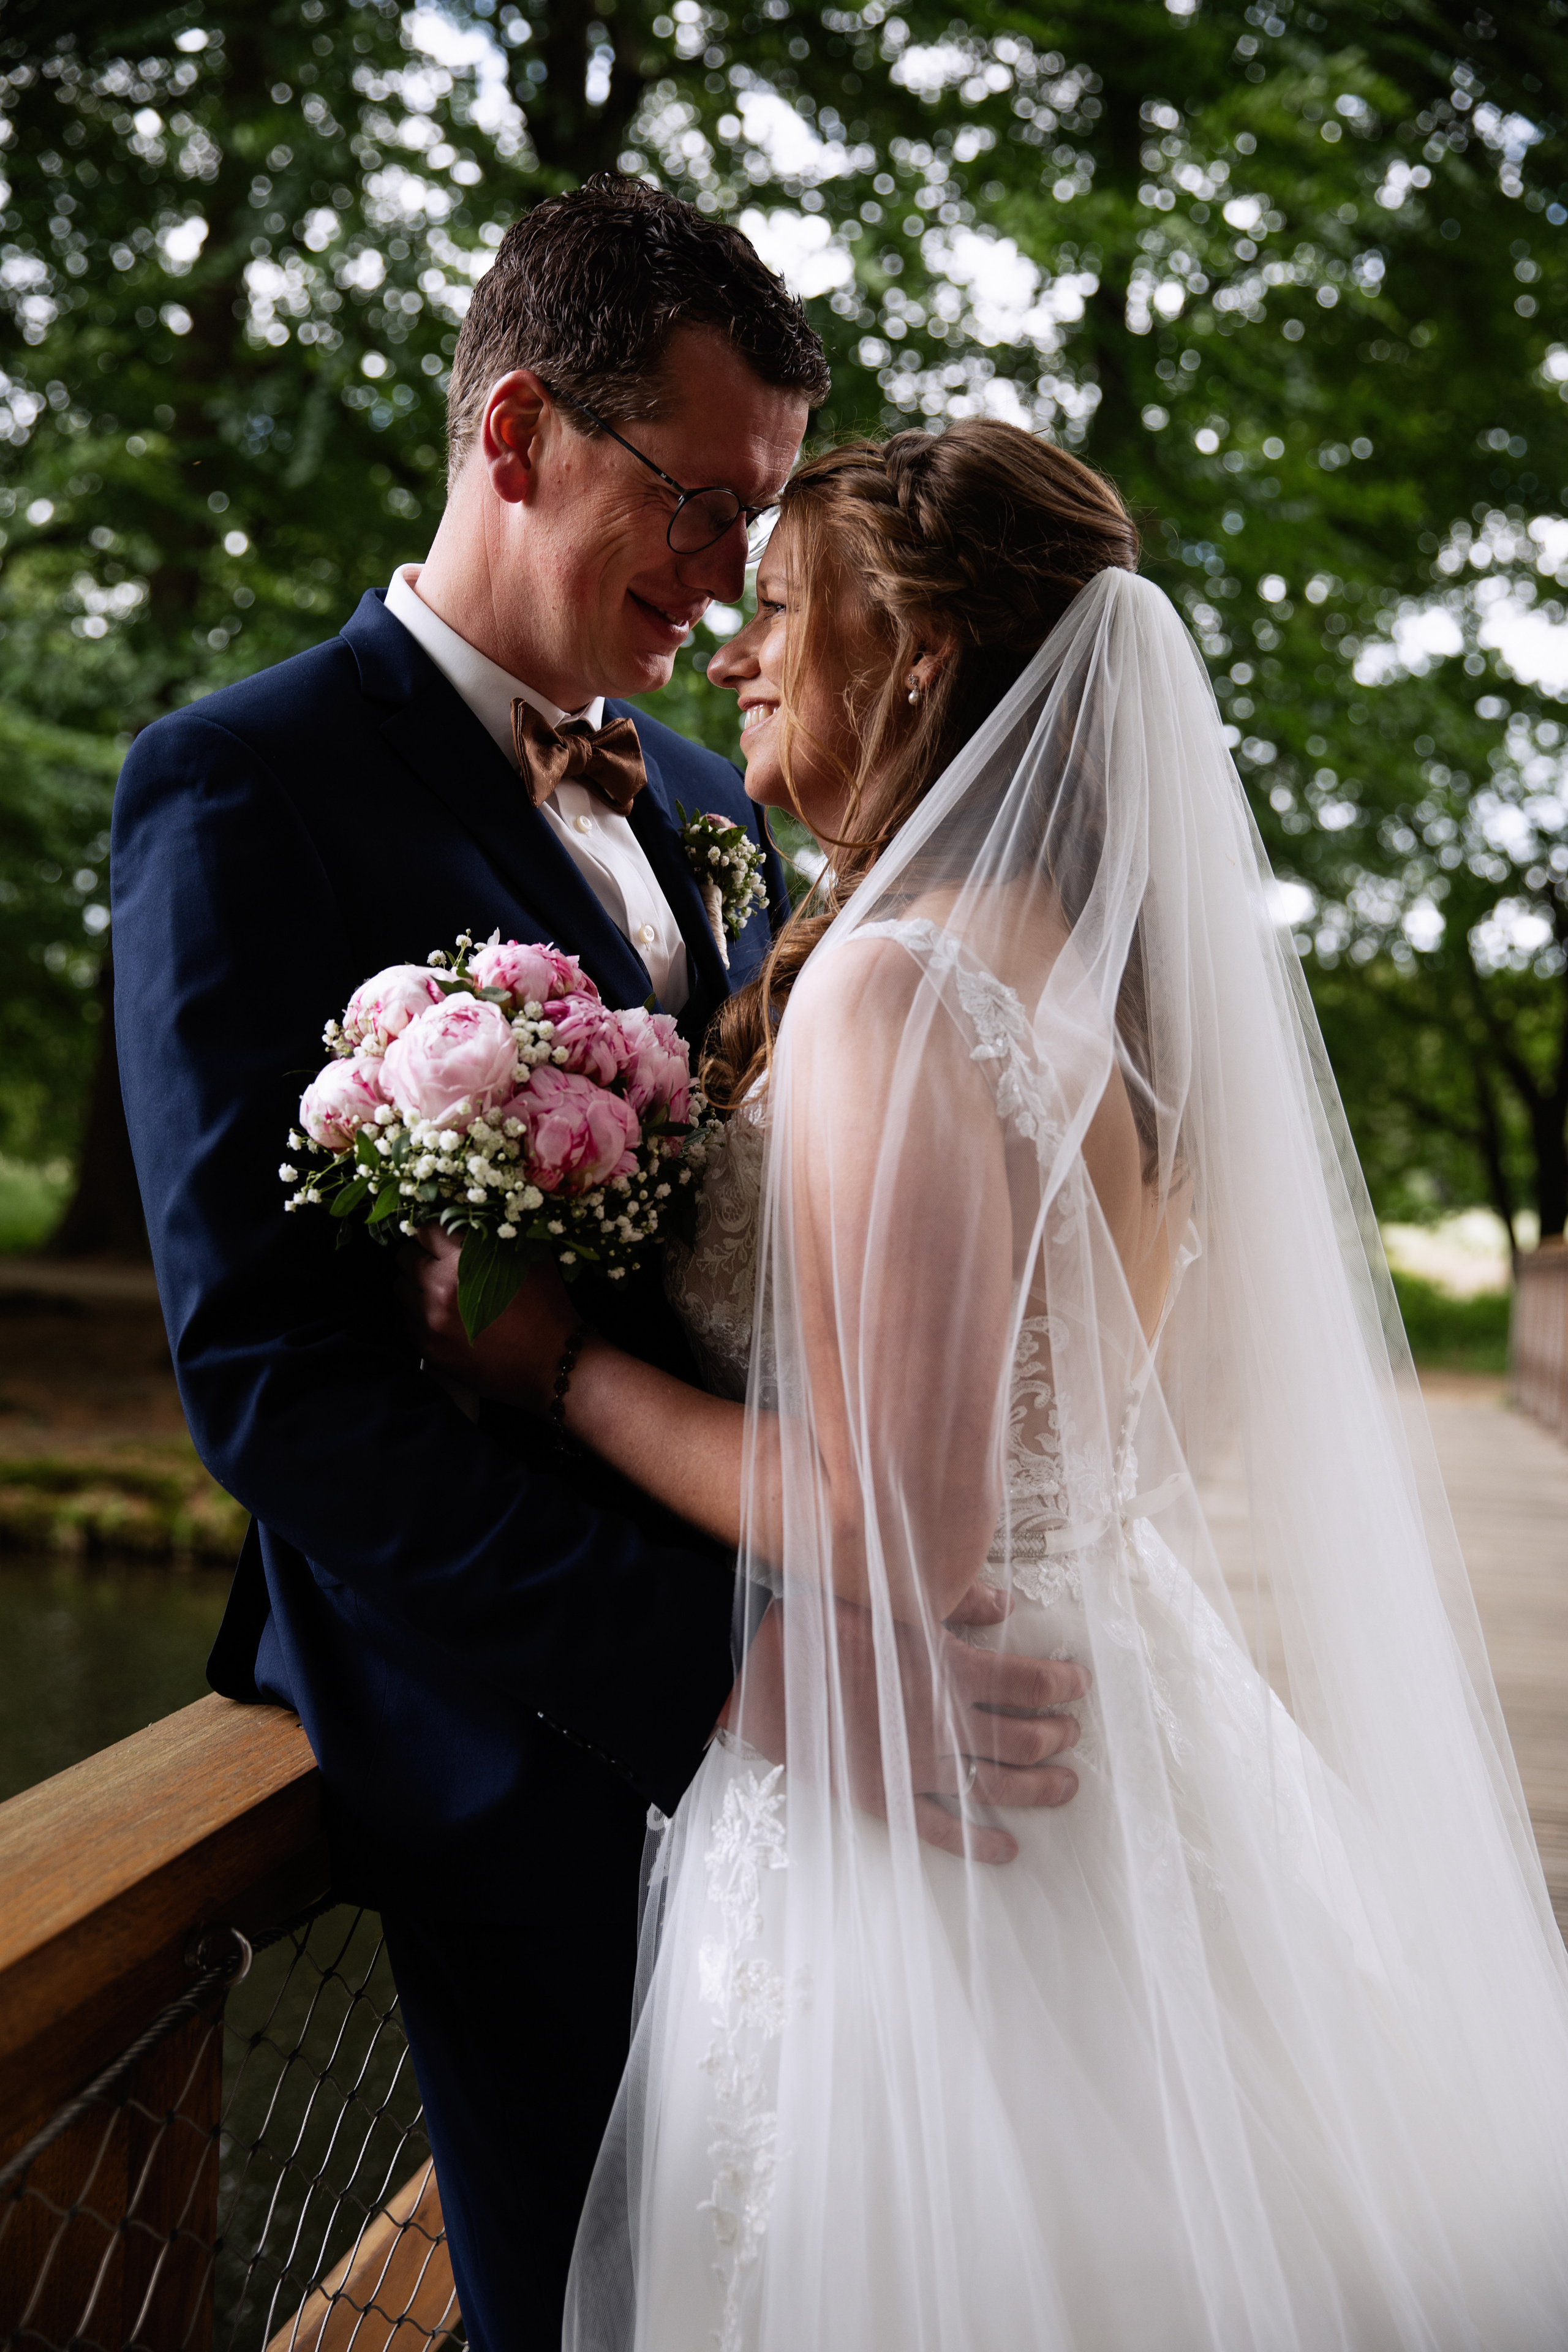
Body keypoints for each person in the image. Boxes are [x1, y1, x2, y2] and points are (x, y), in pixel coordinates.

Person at [410, 422, 1568, 2349]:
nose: (732, 648)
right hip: (1102, 1697)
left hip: (925, 1776)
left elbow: (891, 1510)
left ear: (921, 654)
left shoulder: (894, 986)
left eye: (782, 606)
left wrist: (556, 1373)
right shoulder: (1108, 990)